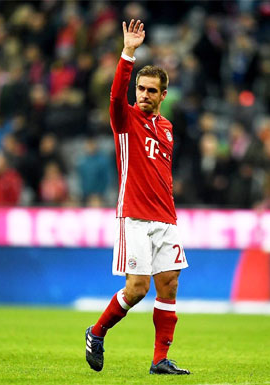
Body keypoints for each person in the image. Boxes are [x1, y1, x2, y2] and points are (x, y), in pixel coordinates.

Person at [85, 20, 190, 375]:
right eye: (140, 89)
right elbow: (116, 95)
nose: (143, 94)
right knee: (137, 287)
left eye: (150, 91)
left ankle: (160, 360)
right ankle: (96, 332)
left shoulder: (167, 127)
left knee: (170, 284)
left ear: (163, 95)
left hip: (167, 218)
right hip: (135, 216)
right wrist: (128, 53)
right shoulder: (125, 119)